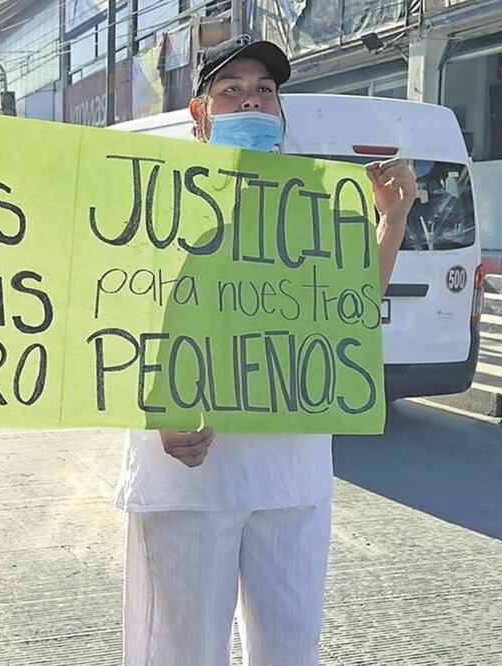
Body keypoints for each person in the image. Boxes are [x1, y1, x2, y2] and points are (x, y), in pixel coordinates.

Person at [115, 36, 415, 666]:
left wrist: (392, 219)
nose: (251, 100)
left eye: (265, 90)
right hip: (189, 473)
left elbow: (347, 309)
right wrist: (158, 414)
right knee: (181, 653)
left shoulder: (314, 200)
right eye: (232, 90)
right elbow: (117, 317)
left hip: (291, 472)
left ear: (281, 109)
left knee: (289, 651)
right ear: (201, 116)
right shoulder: (156, 201)